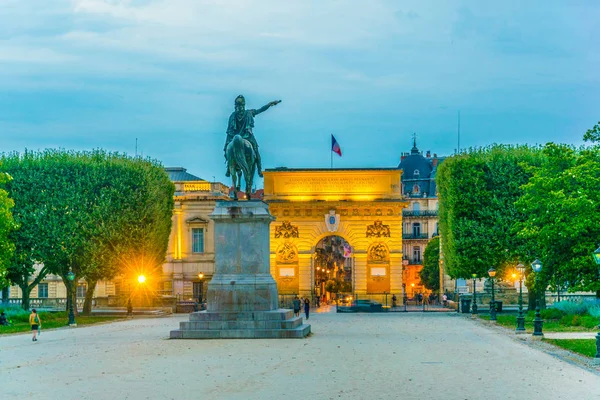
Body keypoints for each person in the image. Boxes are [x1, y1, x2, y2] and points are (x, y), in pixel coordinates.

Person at [223, 95, 281, 178]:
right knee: (226, 149)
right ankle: (229, 167)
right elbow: (230, 130)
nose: (240, 107)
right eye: (238, 106)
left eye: (242, 106)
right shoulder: (233, 116)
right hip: (236, 136)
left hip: (246, 136)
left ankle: (259, 169)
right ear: (235, 106)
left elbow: (260, 110)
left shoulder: (248, 113)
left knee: (256, 150)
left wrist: (269, 104)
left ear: (244, 105)